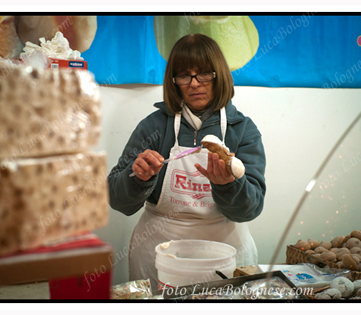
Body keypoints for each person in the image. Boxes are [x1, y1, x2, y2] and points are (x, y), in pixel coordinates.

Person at [108, 34, 266, 289]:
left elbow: (251, 209)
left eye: (203, 73)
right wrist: (138, 178)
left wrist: (228, 185)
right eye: (184, 75)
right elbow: (117, 200)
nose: (194, 84)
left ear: (219, 75)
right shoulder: (154, 127)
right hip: (159, 254)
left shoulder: (243, 130)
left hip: (226, 253)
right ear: (174, 81)